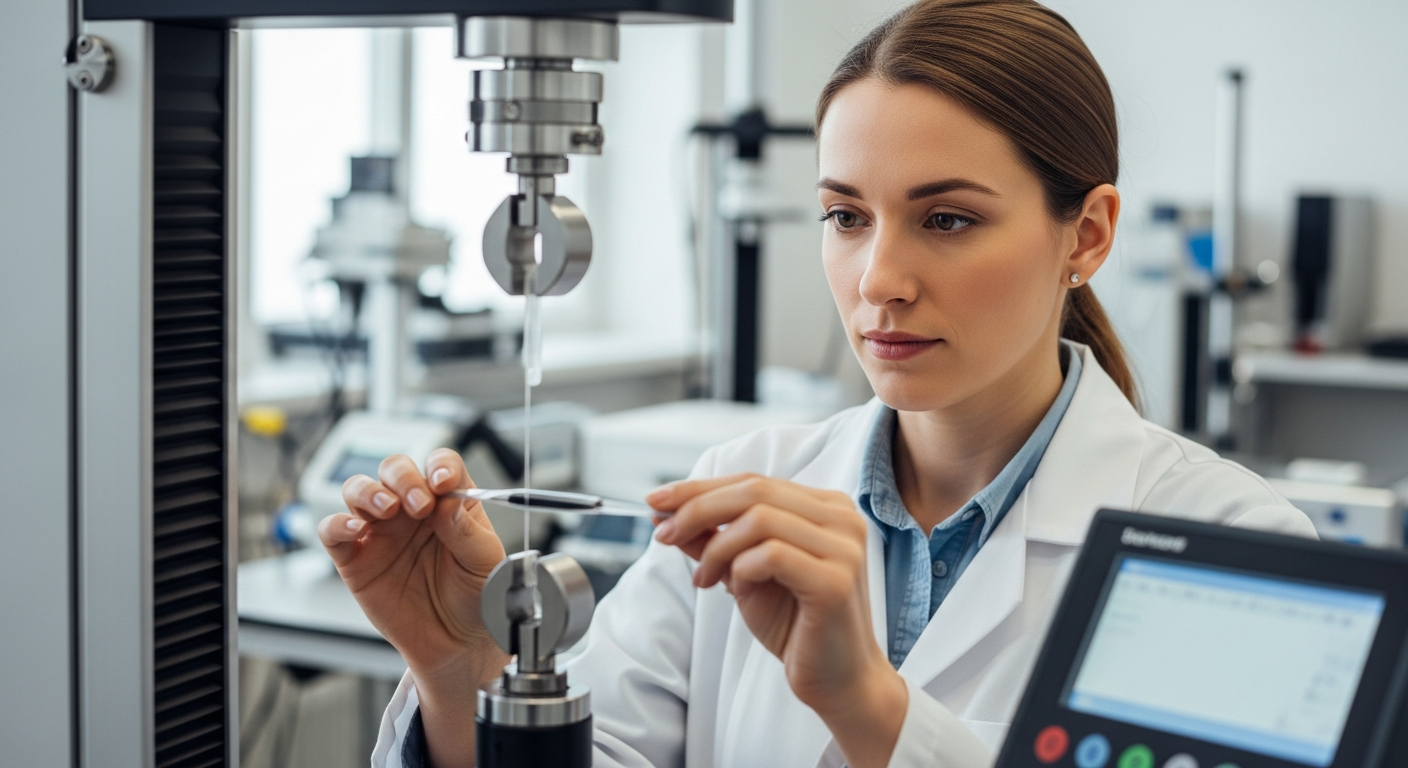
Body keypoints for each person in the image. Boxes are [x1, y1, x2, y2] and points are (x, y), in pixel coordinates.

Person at [319, 1, 1315, 766]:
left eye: (948, 219)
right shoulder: (745, 480)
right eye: (846, 216)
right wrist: (462, 675)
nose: (879, 279)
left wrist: (872, 712)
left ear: (1086, 235)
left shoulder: (1237, 549)